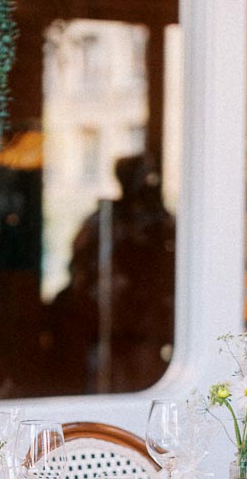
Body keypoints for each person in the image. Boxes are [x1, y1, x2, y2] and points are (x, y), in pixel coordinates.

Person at [49, 151, 176, 393]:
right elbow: (80, 267)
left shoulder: (161, 224)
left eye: (149, 178)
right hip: (105, 323)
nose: (145, 185)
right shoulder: (102, 222)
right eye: (140, 178)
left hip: (146, 324)